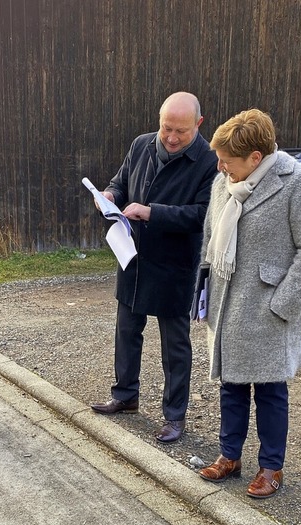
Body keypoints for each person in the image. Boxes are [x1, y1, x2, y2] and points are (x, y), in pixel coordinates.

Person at [197, 109, 301, 498]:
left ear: (256, 157)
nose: (220, 166)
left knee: (271, 391)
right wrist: (202, 294)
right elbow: (210, 240)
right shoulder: (223, 183)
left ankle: (272, 467)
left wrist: (283, 306)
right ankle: (229, 456)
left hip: (269, 310)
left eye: (228, 159)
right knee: (230, 385)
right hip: (227, 308)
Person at [90, 92, 218, 443]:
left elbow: (205, 215)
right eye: (166, 129)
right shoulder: (141, 144)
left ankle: (174, 416)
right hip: (132, 255)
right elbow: (121, 180)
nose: (172, 138)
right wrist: (111, 195)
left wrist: (152, 212)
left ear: (199, 125)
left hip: (175, 266)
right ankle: (124, 395)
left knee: (174, 346)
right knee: (126, 331)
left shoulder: (209, 161)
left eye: (181, 131)